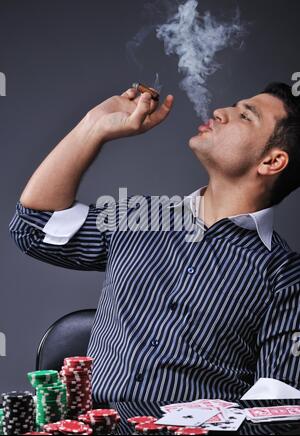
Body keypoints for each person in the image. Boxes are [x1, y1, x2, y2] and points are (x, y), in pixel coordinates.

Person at [9, 82, 300, 402]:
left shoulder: (285, 276)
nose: (220, 112)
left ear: (272, 162)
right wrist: (93, 127)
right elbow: (33, 227)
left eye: (246, 116)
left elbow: (277, 402)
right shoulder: (140, 218)